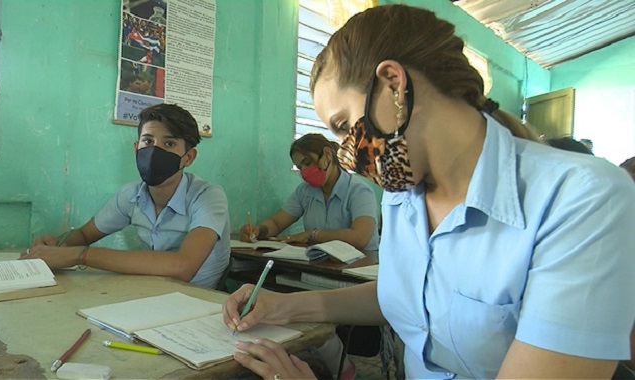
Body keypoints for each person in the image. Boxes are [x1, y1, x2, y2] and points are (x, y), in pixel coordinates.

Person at [222, 4, 635, 379]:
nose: (348, 155)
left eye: (346, 126)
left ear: (393, 83)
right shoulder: (403, 194)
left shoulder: (582, 198)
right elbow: (411, 297)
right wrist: (283, 305)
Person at [22, 103, 230, 289]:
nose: (154, 151)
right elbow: (85, 235)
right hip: (153, 291)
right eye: (147, 141)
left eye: (169, 144)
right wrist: (56, 245)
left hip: (200, 301)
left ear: (189, 157)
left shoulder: (208, 196)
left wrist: (81, 255)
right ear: (135, 148)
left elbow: (184, 266)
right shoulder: (130, 195)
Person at [239, 133, 379, 251]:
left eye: (307, 163)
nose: (305, 172)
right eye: (300, 167)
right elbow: (276, 223)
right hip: (321, 265)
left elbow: (360, 238)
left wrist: (312, 235)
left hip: (360, 268)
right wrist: (258, 230)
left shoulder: (359, 192)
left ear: (327, 155)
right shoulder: (305, 192)